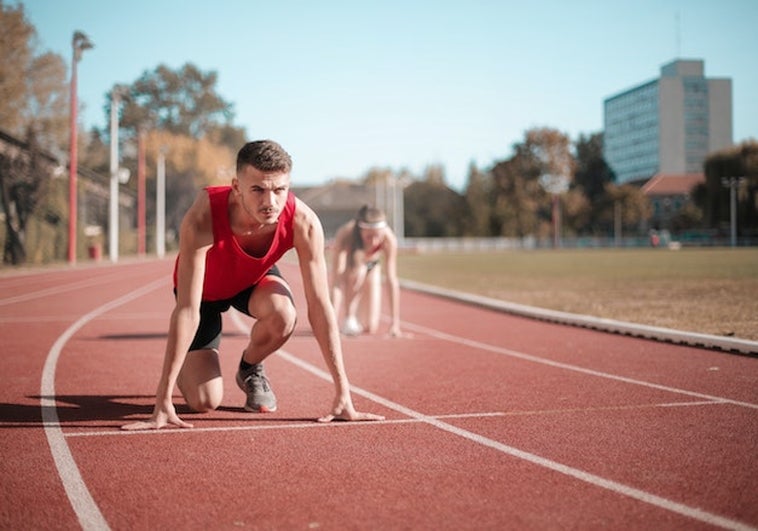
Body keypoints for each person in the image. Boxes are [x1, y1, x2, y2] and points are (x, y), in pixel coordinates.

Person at [123, 140, 384, 430]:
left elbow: (321, 307)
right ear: (237, 187)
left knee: (284, 314)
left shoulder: (304, 223)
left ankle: (249, 368)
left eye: (279, 190)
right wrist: (162, 400)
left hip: (251, 281)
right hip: (204, 295)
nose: (270, 202)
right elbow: (187, 309)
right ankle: (187, 365)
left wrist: (343, 393)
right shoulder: (203, 215)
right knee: (203, 402)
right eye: (258, 189)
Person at [329, 205, 402, 337]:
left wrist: (394, 324)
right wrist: (330, 320)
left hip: (373, 265)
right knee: (358, 273)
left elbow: (392, 280)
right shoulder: (346, 234)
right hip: (351, 266)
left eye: (377, 236)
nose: (374, 242)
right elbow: (337, 280)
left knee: (370, 326)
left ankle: (358, 318)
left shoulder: (389, 239)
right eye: (369, 237)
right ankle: (349, 317)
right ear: (360, 231)